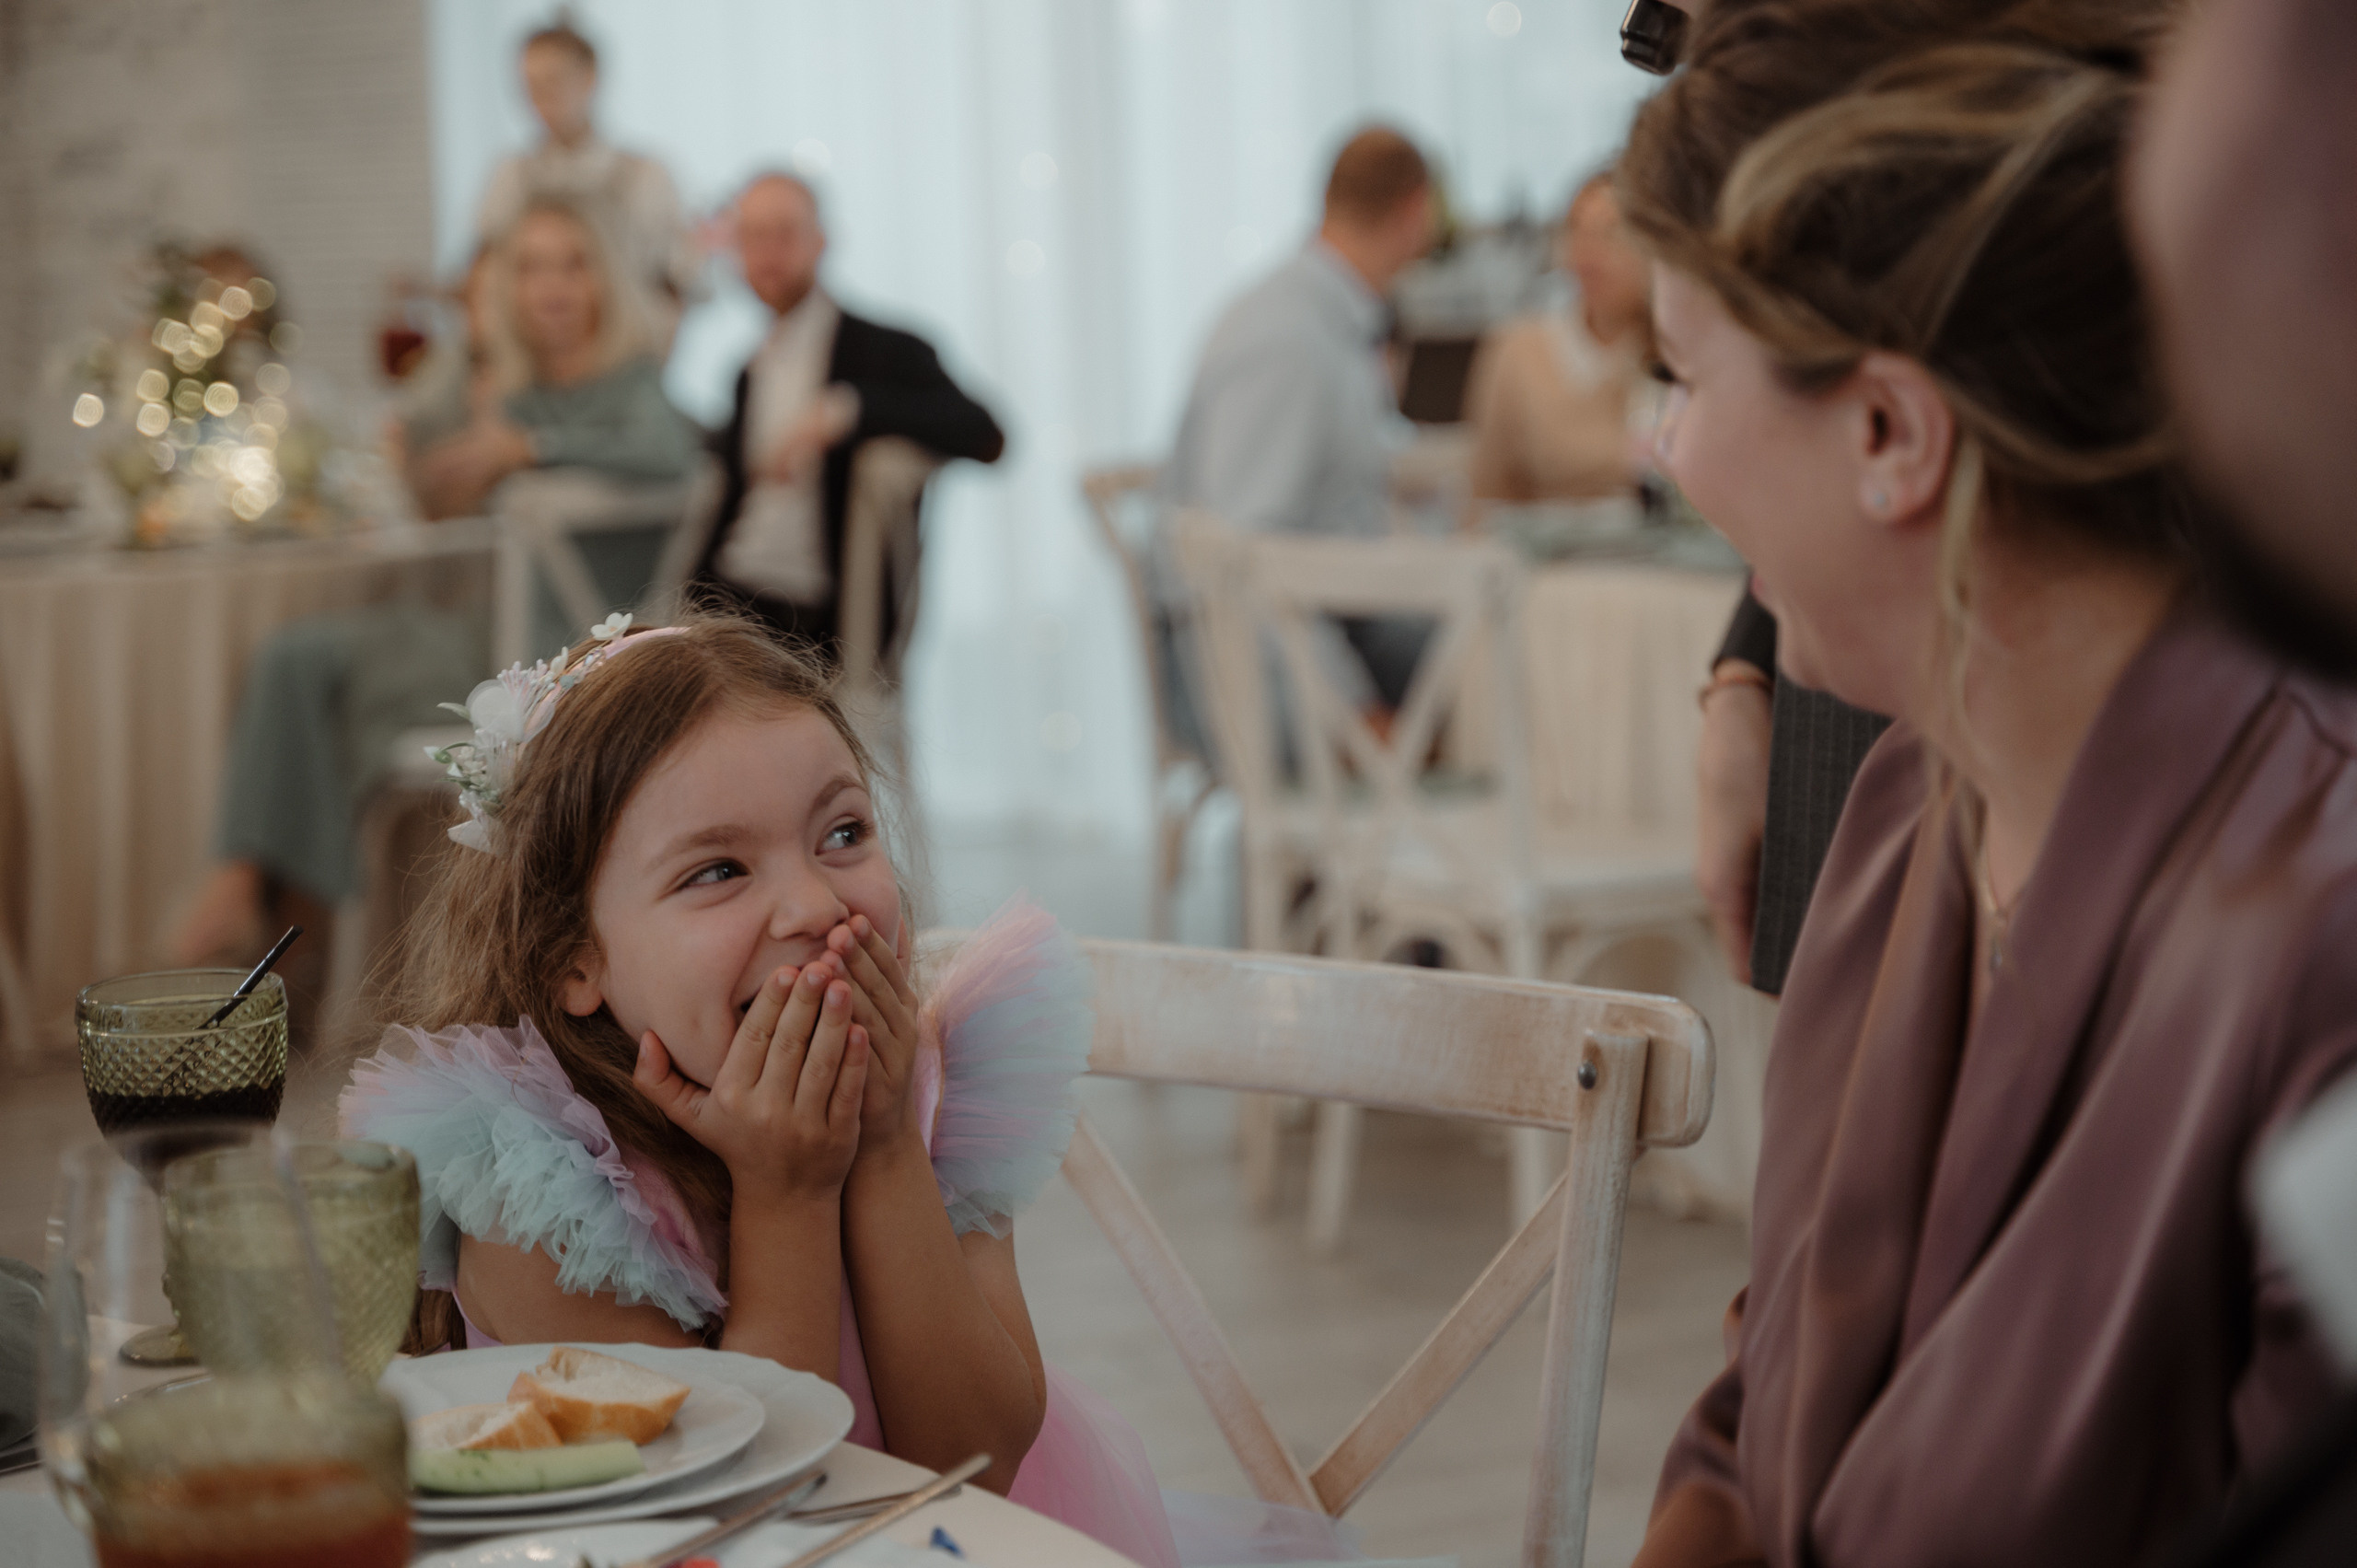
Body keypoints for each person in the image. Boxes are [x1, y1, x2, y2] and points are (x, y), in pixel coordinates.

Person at [1613, 5, 2357, 1564]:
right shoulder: (1900, 810)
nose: (1667, 454)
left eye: (1681, 378)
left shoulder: (2320, 944)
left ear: (1890, 430)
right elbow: (1761, 1411)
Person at [167, 197, 697, 975]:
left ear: (605, 281)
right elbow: (429, 484)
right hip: (496, 630)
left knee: (309, 663)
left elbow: (672, 454)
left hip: (556, 666)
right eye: (529, 268)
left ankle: (269, 904)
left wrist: (527, 446)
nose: (552, 284)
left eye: (573, 264)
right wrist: (474, 398)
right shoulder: (509, 384)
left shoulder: (631, 381)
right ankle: (255, 887)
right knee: (297, 655)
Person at [1159, 125, 1439, 742]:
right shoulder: (1287, 340)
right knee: (1486, 675)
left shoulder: (1324, 320)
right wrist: (1348, 709)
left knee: (1458, 649)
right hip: (1239, 666)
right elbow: (1243, 559)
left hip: (1312, 622)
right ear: (1416, 212)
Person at [691, 172, 1005, 663]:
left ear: (820, 241)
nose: (767, 252)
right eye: (751, 237)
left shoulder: (887, 350)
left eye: (784, 233)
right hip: (725, 597)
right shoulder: (747, 371)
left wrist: (847, 409)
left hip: (819, 619)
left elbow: (987, 435)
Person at [473, 20, 702, 340]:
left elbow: (675, 285)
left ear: (589, 78)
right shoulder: (510, 178)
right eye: (531, 87)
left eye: (553, 81)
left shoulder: (645, 177)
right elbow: (485, 278)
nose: (541, 100)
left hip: (627, 360)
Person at [1463, 170, 1656, 504]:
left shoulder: (1673, 356)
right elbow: (1484, 493)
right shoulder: (1519, 351)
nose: (1588, 256)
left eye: (1612, 235)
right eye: (1577, 232)